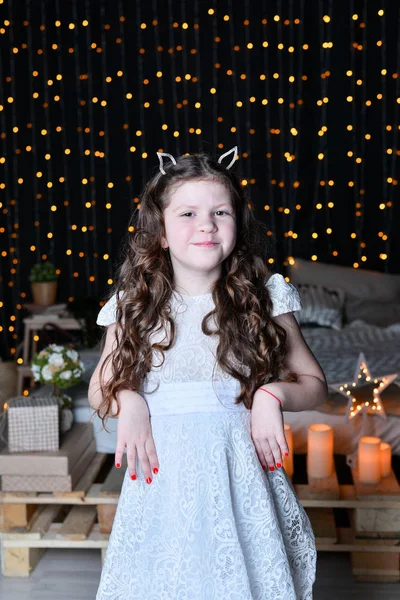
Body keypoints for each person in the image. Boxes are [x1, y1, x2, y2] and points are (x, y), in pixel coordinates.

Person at [89, 146, 328, 600]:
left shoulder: (266, 298)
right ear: (159, 232)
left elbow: (315, 385)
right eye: (188, 213)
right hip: (166, 492)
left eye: (221, 211)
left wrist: (271, 396)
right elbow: (101, 389)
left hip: (243, 488)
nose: (206, 224)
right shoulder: (133, 305)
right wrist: (129, 399)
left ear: (237, 223)